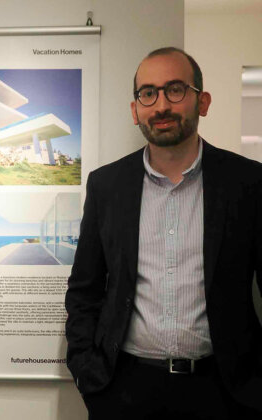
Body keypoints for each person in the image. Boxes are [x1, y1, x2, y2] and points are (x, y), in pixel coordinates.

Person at [65, 47, 262, 419]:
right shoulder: (106, 186)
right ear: (135, 109)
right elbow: (84, 289)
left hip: (224, 392)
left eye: (175, 89)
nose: (161, 106)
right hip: (124, 391)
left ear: (202, 102)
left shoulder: (248, 183)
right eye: (148, 93)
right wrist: (85, 370)